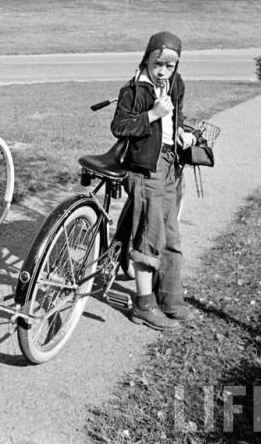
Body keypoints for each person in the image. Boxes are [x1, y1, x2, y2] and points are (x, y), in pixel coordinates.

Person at [111, 30, 197, 331]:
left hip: (171, 165)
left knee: (171, 236)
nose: (162, 71)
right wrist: (151, 114)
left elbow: (177, 116)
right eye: (157, 63)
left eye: (169, 66)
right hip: (145, 169)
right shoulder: (134, 91)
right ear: (147, 59)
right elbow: (120, 126)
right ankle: (144, 305)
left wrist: (182, 132)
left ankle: (171, 300)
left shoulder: (176, 84)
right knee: (149, 236)